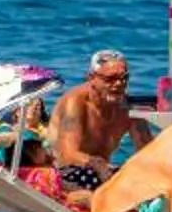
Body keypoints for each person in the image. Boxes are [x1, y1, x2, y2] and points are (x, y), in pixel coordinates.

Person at [45, 49, 136, 196]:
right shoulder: (75, 102)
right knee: (96, 178)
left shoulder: (126, 106)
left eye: (124, 78)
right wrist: (97, 164)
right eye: (110, 79)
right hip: (66, 174)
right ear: (91, 78)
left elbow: (146, 147)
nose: (119, 84)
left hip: (103, 174)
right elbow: (68, 153)